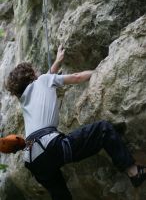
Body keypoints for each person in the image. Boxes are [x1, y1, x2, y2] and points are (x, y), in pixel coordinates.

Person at [5, 45, 146, 200]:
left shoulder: (24, 99)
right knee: (103, 129)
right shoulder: (43, 81)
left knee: (61, 196)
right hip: (50, 146)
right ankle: (134, 172)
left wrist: (58, 61)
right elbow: (77, 77)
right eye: (34, 69)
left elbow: (47, 77)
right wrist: (100, 72)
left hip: (32, 159)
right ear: (31, 75)